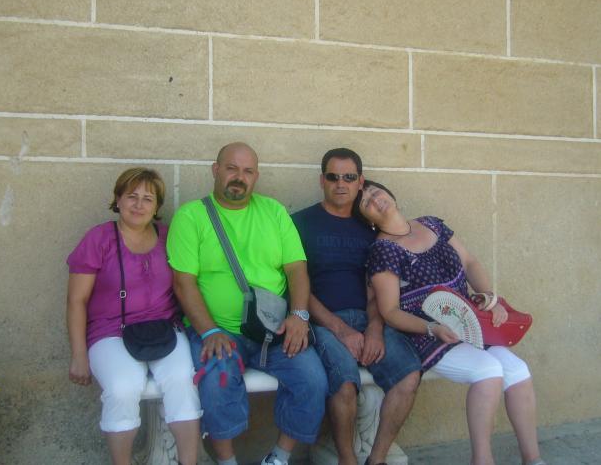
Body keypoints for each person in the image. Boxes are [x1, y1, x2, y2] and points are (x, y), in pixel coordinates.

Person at [354, 179, 546, 465]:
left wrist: (489, 298)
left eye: (374, 190)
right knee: (489, 370)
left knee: (518, 370)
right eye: (365, 201)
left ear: (390, 194)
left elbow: (470, 262)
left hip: (470, 323)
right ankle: (482, 460)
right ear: (368, 220)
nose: (373, 198)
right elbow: (390, 311)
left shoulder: (431, 224)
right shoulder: (383, 251)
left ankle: (533, 460)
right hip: (428, 334)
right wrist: (432, 328)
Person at [167, 142, 327, 465]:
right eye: (231, 168)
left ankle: (279, 457)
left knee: (312, 379)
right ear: (215, 170)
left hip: (274, 328)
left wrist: (299, 315)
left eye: (248, 171)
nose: (239, 177)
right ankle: (227, 461)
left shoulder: (274, 212)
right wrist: (209, 331)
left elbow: (297, 269)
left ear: (256, 176)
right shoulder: (191, 216)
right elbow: (183, 283)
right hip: (219, 330)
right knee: (218, 381)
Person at [292, 148, 421, 465]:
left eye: (349, 177)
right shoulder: (299, 223)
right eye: (333, 177)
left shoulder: (371, 227)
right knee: (345, 385)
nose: (341, 183)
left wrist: (375, 328)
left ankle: (376, 459)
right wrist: (341, 330)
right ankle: (347, 459)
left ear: (360, 181)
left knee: (408, 376)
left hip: (370, 318)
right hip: (323, 323)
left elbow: (377, 286)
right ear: (322, 180)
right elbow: (297, 285)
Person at [66, 168, 201, 465]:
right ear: (118, 200)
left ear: (157, 206)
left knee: (183, 381)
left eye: (148, 199)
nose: (139, 205)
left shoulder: (170, 236)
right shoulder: (99, 239)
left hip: (164, 328)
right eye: (132, 197)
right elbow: (77, 300)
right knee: (123, 387)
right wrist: (79, 355)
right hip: (110, 332)